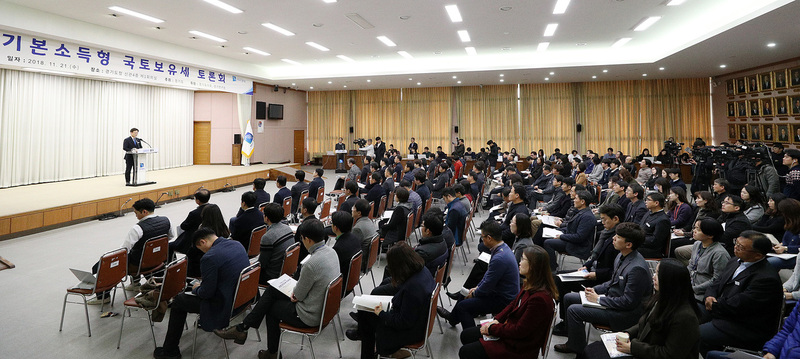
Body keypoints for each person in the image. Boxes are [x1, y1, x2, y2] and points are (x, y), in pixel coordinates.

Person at [214, 219, 340, 359]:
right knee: (272, 290)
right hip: (324, 307)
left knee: (271, 308)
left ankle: (267, 349)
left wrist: (296, 294)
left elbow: (298, 295)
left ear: (308, 239)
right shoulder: (331, 251)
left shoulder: (311, 264)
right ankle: (243, 328)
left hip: (310, 314)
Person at [553, 222, 653, 355]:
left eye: (618, 237)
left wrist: (599, 300)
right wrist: (595, 290)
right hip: (612, 299)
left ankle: (576, 347)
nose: (613, 238)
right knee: (569, 298)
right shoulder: (621, 255)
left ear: (629, 244)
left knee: (574, 311)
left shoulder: (637, 268)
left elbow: (629, 302)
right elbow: (612, 282)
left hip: (624, 314)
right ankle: (571, 331)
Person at [153, 227, 249, 359]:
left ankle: (170, 351)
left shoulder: (210, 257)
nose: (203, 252)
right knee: (186, 295)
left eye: (201, 249)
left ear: (203, 242)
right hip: (243, 297)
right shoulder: (236, 244)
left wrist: (196, 288)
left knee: (179, 301)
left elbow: (206, 293)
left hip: (224, 304)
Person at [583, 259, 701, 359]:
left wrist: (633, 348)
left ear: (670, 281)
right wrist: (627, 333)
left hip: (647, 352)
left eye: (658, 274)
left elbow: (670, 354)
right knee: (591, 350)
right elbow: (646, 323)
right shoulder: (662, 298)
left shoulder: (685, 317)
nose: (654, 276)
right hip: (643, 347)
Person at [458, 246, 558, 359]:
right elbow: (513, 304)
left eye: (523, 259)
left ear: (533, 265)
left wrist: (492, 329)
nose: (519, 263)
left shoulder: (540, 299)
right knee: (466, 335)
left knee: (466, 351)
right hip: (512, 334)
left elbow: (520, 331)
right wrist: (496, 320)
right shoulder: (531, 284)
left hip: (519, 347)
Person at [699, 231, 783, 356]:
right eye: (736, 243)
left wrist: (714, 305)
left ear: (758, 255)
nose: (736, 247)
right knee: (686, 316)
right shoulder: (735, 261)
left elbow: (739, 305)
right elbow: (717, 282)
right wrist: (709, 296)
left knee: (695, 334)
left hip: (742, 325)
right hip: (721, 309)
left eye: (741, 247)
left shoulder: (766, 279)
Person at [346, 242, 436, 359]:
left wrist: (382, 313)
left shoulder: (412, 289)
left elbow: (402, 322)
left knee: (367, 318)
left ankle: (368, 350)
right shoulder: (422, 271)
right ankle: (365, 343)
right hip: (418, 321)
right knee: (364, 311)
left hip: (410, 331)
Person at [438, 220, 520, 329]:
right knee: (464, 292)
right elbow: (488, 277)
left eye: (483, 237)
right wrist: (476, 288)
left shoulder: (499, 258)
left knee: (463, 306)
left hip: (503, 300)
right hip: (498, 292)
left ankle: (472, 336)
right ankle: (453, 318)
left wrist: (475, 293)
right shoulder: (502, 248)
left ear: (489, 238)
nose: (482, 240)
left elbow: (488, 284)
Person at [554, 204, 623, 323]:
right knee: (559, 276)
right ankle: (563, 316)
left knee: (560, 280)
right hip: (593, 270)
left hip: (600, 278)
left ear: (615, 219)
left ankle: (565, 322)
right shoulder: (606, 233)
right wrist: (587, 265)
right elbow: (595, 255)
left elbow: (614, 271)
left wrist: (595, 274)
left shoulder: (618, 240)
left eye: (604, 219)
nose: (602, 222)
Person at [111, 198, 174, 296]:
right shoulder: (166, 220)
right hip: (159, 259)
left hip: (139, 264)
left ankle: (104, 296)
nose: (135, 216)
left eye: (136, 213)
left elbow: (124, 250)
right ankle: (135, 283)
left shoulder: (137, 228)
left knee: (102, 264)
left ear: (144, 212)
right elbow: (170, 237)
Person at [543, 190, 595, 271]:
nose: (574, 200)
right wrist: (558, 230)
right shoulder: (580, 212)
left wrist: (562, 236)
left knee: (548, 243)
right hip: (571, 240)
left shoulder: (587, 217)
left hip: (578, 245)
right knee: (545, 235)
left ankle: (551, 269)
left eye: (576, 198)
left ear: (582, 202)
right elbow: (571, 228)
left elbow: (579, 237)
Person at [686, 218, 730, 302]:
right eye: (694, 228)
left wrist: (694, 289)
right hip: (691, 283)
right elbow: (691, 266)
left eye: (698, 229)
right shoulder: (697, 244)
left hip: (703, 292)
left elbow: (717, 280)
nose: (694, 231)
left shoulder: (719, 253)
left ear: (710, 235)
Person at [169, 189, 210, 265]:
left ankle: (173, 267)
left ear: (197, 201)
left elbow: (184, 226)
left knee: (170, 246)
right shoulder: (214, 208)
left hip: (193, 240)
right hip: (209, 236)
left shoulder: (194, 213)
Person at [258, 203, 295, 284]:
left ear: (266, 218)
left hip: (273, 275)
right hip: (286, 269)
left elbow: (262, 264)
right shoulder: (287, 228)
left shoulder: (267, 237)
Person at [330, 211, 362, 295]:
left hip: (341, 285)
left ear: (335, 228)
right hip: (352, 280)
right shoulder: (354, 238)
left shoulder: (338, 248)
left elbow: (332, 270)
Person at [638, 192, 671, 258]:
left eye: (648, 200)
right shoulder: (648, 213)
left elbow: (654, 241)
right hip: (641, 243)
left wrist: (637, 238)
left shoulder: (663, 220)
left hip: (651, 250)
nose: (645, 202)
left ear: (656, 203)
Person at [770, 198, 800, 270]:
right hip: (787, 254)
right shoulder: (790, 224)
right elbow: (785, 241)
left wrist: (786, 248)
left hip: (796, 256)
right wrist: (780, 245)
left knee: (768, 263)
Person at [352, 199, 378, 270]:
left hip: (361, 263)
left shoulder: (358, 228)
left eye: (354, 208)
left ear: (359, 213)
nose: (352, 209)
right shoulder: (369, 221)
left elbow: (352, 247)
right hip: (369, 260)